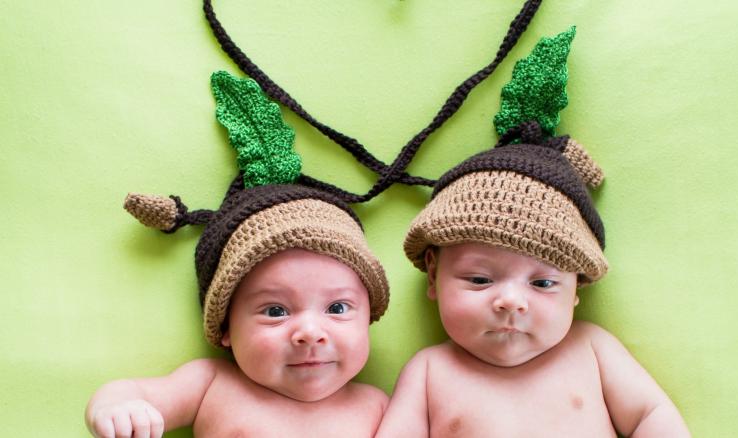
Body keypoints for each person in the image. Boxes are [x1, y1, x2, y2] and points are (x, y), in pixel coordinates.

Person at [375, 122, 691, 437]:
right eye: (480, 279)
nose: (511, 302)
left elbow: (651, 414)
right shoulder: (430, 371)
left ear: (577, 285)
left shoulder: (591, 349)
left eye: (542, 284)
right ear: (434, 275)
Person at [85, 183, 390, 438]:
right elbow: (134, 392)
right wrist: (117, 408)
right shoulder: (211, 384)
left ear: (368, 318)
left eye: (337, 307)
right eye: (275, 311)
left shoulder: (378, 408)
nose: (310, 333)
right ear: (226, 327)